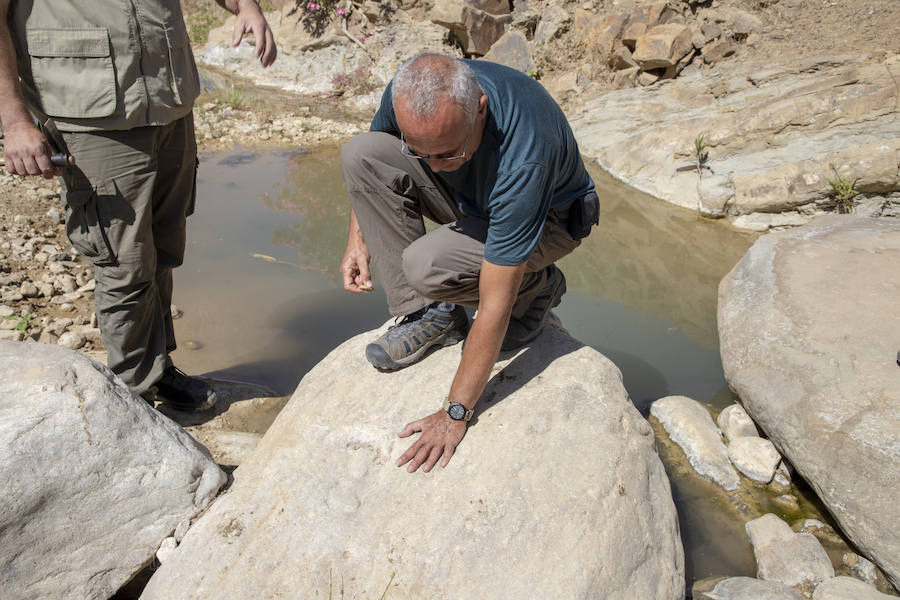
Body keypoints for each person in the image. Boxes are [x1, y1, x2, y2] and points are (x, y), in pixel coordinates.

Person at [0, 0, 277, 411]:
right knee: (124, 261)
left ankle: (158, 371)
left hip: (169, 99)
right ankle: (134, 397)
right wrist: (16, 123)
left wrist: (244, 5)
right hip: (91, 115)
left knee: (162, 249)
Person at [340, 53, 597, 473]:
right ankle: (428, 313)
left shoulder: (525, 150)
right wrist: (357, 241)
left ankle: (538, 287)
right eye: (420, 152)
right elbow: (374, 165)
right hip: (473, 199)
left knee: (426, 266)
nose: (434, 165)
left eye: (445, 152)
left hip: (548, 222)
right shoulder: (413, 90)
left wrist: (455, 413)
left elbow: (494, 301)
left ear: (479, 108)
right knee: (361, 153)